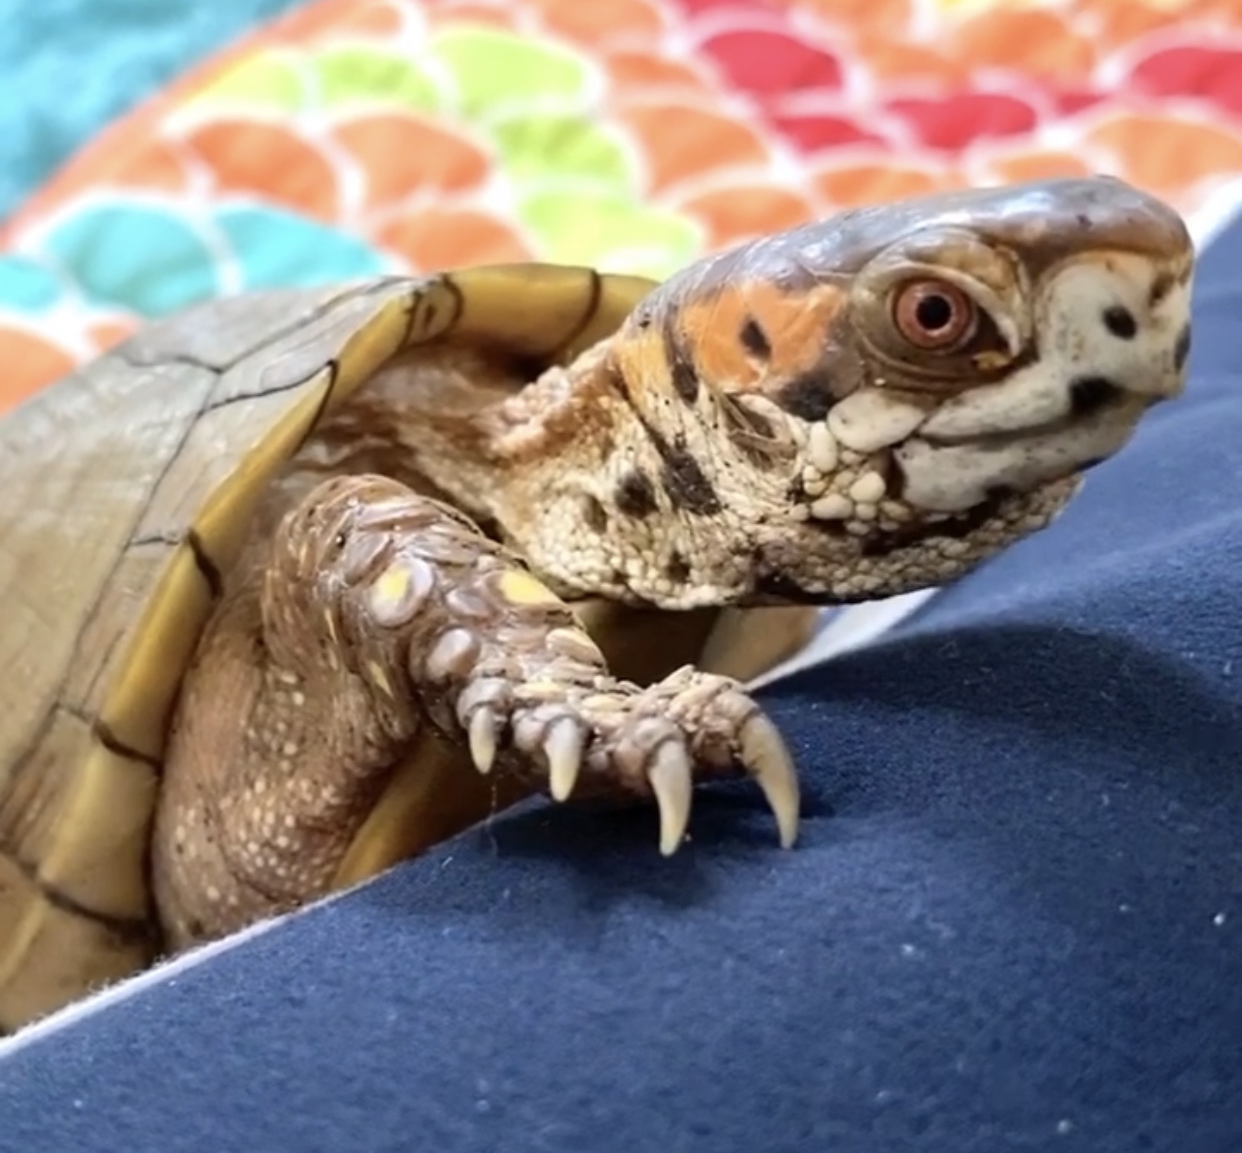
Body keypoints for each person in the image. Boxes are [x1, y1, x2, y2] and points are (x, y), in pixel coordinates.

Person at [1, 206, 1239, 1153]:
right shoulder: (369, 531)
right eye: (935, 322)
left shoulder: (665, 531)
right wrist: (556, 700)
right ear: (713, 394)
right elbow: (340, 533)